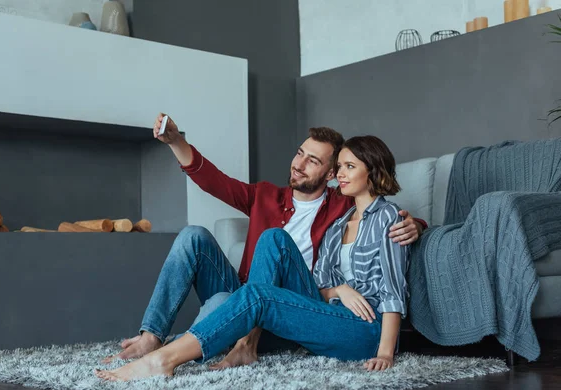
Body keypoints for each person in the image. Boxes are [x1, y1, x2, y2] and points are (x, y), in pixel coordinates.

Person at [102, 114, 425, 369]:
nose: (298, 164)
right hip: (252, 292)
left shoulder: (342, 204)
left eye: (313, 160)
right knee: (193, 236)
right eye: (300, 154)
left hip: (293, 304)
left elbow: (382, 215)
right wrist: (175, 141)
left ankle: (241, 343)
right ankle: (151, 337)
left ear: (330, 174)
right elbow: (216, 182)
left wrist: (416, 225)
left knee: (266, 249)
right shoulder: (266, 197)